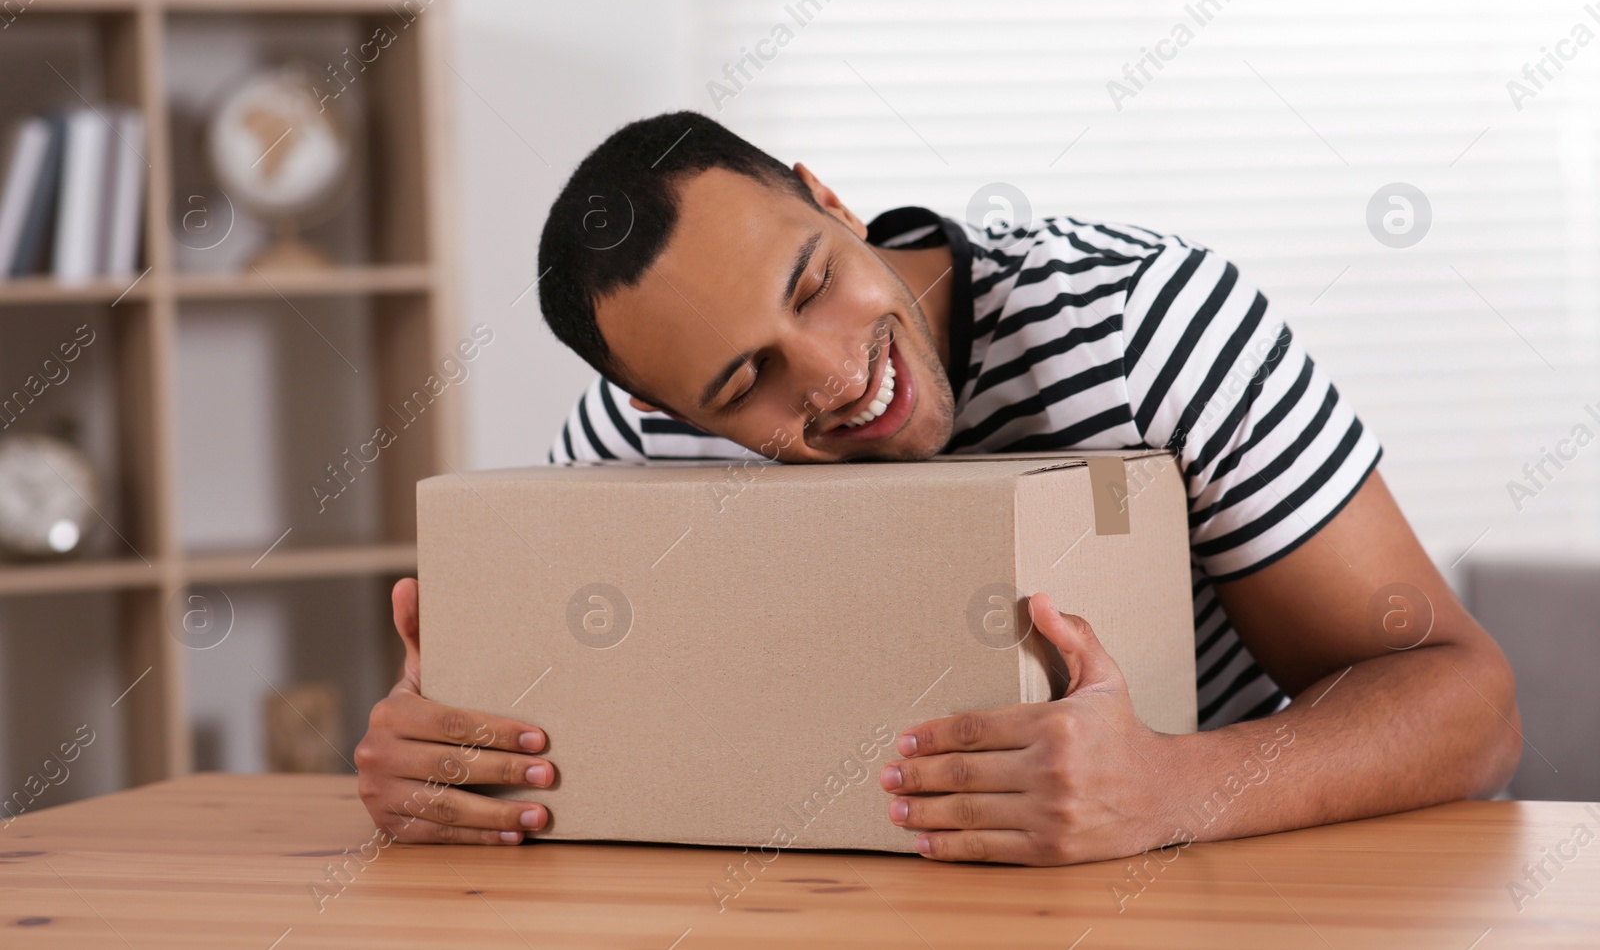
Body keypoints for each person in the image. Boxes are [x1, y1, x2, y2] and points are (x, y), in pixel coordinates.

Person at [354, 111, 1520, 865]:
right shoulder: (627, 447)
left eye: (812, 283)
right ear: (668, 411)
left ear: (833, 199)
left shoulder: (1141, 325)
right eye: (744, 378)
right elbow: (548, 754)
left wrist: (1173, 784)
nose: (833, 375)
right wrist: (444, 761)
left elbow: (1467, 701)